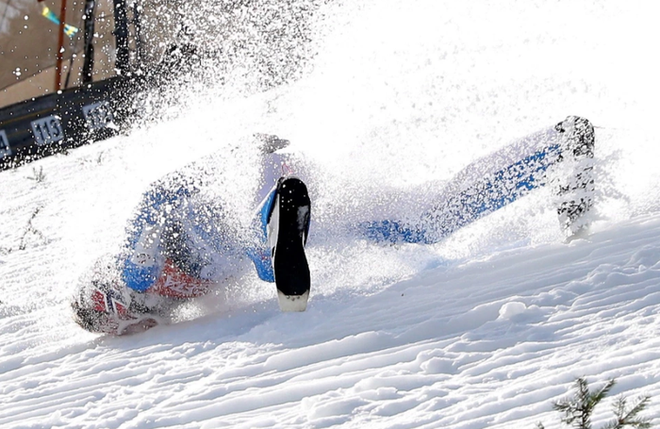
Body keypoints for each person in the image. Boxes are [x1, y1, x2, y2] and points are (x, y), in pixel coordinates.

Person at [71, 116, 595, 335]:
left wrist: (135, 274)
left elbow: (161, 192)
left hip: (262, 174)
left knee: (261, 256)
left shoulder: (143, 254)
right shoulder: (182, 299)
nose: (134, 314)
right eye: (120, 318)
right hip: (303, 213)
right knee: (428, 222)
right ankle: (558, 149)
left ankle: (278, 219)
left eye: (113, 303)